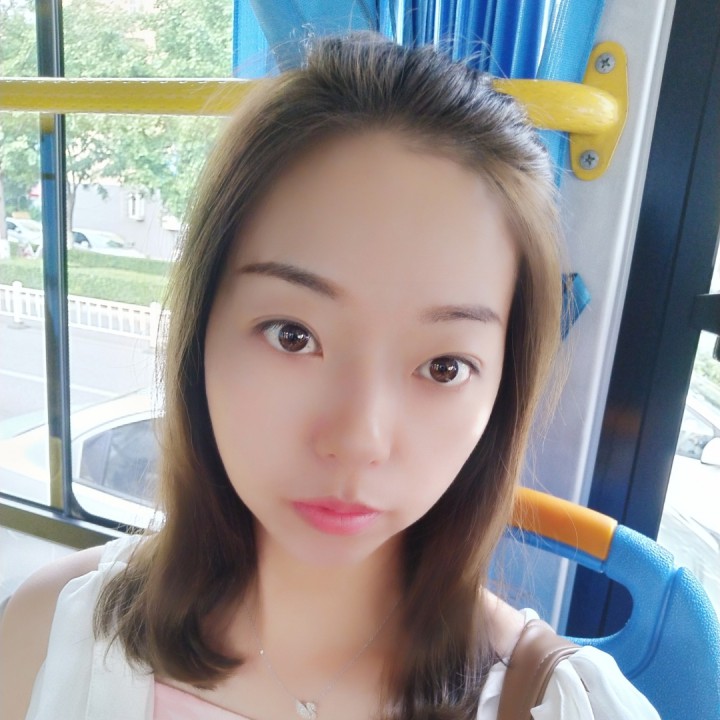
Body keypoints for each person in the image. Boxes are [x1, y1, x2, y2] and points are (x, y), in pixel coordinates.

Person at [0, 34, 660, 720]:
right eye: (293, 335)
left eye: (443, 366)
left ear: (503, 388)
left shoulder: (568, 708)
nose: (356, 439)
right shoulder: (50, 637)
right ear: (202, 334)